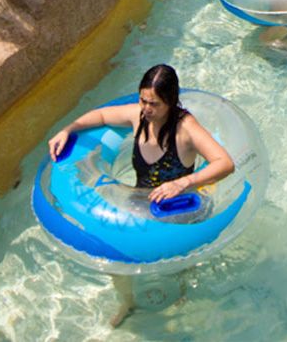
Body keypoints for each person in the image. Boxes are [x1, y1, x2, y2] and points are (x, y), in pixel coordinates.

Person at [47, 64, 236, 325]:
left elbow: (225, 163)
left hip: (178, 210)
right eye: (143, 100)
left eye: (154, 103)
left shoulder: (186, 128)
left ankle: (181, 291)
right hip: (139, 204)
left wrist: (183, 182)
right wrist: (67, 129)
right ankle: (127, 302)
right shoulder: (138, 117)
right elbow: (101, 116)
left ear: (170, 101)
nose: (146, 108)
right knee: (114, 255)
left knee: (177, 264)